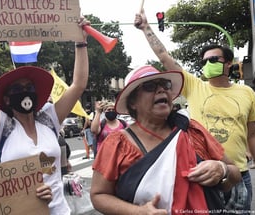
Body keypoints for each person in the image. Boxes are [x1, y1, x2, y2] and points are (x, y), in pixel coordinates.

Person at [134, 9, 255, 209]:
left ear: (229, 64)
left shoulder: (247, 93)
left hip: (237, 174)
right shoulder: (194, 86)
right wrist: (146, 28)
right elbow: (164, 57)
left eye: (214, 60)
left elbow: (252, 135)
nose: (208, 64)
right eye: (205, 61)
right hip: (201, 176)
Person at [0, 1, 89, 215]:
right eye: (17, 89)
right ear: (8, 100)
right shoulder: (2, 125)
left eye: (29, 87)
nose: (25, 91)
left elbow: (78, 85)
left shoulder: (49, 118)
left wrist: (81, 43)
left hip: (60, 211)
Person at [90, 65, 241, 214]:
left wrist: (222, 170)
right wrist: (138, 212)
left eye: (165, 84)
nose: (162, 89)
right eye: (149, 86)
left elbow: (235, 173)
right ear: (133, 103)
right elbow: (98, 195)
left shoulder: (191, 130)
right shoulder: (117, 143)